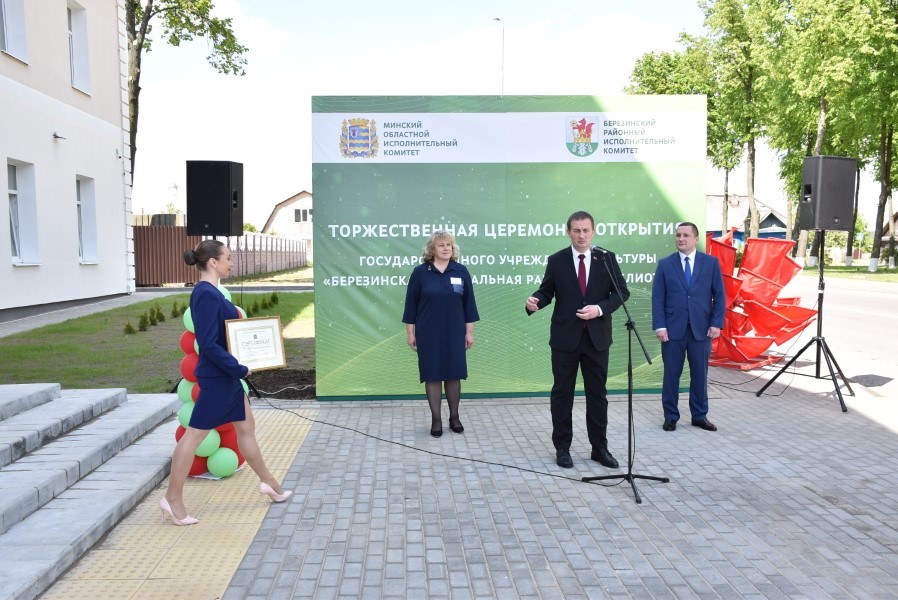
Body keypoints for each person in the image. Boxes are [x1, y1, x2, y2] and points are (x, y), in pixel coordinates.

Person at [160, 240, 291, 525]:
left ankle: (270, 483)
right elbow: (208, 344)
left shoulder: (213, 292)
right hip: (218, 378)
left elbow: (227, 334)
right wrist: (238, 367)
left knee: (247, 429)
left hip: (226, 378)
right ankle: (172, 499)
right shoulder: (206, 294)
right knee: (194, 436)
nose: (232, 263)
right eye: (228, 258)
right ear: (213, 262)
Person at [525, 211, 629, 469]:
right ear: (568, 232)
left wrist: (600, 309)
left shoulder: (606, 258)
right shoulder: (557, 260)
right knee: (562, 393)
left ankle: (599, 448)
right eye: (576, 230)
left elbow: (621, 292)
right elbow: (547, 291)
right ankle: (562, 448)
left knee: (598, 394)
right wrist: (535, 301)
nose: (581, 235)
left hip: (597, 339)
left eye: (586, 230)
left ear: (593, 231)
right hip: (565, 339)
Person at [403, 231, 480, 437]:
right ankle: (436, 420)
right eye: (441, 245)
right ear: (432, 249)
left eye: (449, 245)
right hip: (428, 333)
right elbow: (411, 306)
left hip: (455, 332)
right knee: (432, 374)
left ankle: (454, 417)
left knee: (454, 373)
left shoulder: (461, 271)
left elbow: (469, 305)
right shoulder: (420, 273)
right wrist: (410, 333)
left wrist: (469, 332)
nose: (446, 248)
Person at [651, 222, 725, 432]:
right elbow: (658, 298)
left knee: (700, 376)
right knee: (671, 375)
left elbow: (720, 296)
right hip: (672, 330)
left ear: (696, 239)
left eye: (685, 235)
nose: (681, 239)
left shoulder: (710, 263)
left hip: (702, 330)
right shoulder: (665, 264)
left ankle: (699, 416)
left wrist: (716, 323)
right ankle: (671, 416)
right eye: (678, 235)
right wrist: (660, 326)